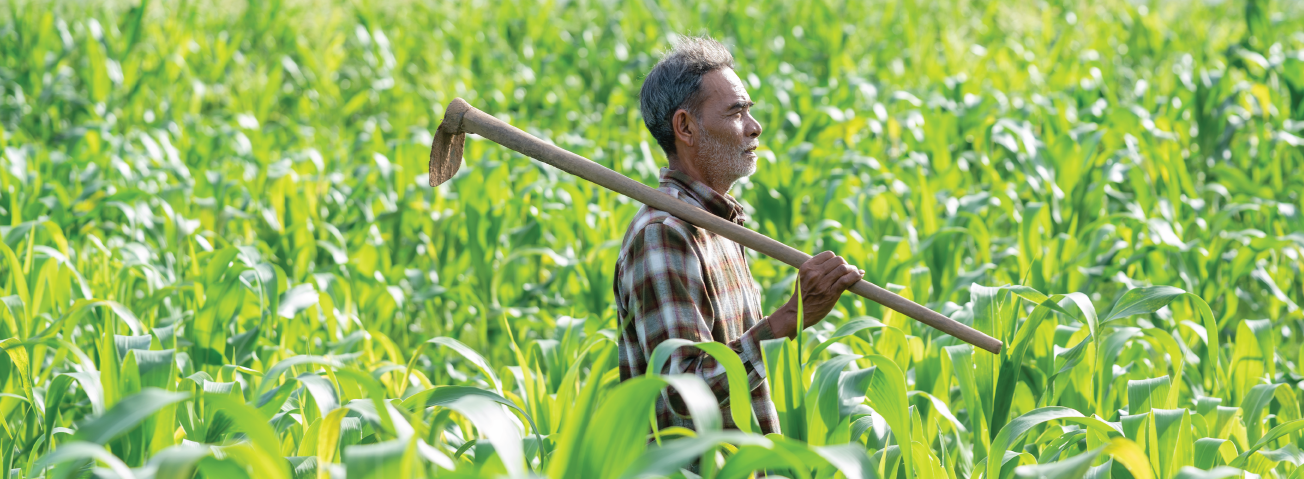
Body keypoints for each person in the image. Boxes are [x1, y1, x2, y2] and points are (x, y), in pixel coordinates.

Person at [614, 35, 866, 438]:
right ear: (685, 127)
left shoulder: (716, 223)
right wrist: (788, 319)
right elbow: (685, 390)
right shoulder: (665, 234)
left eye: (749, 110)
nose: (754, 127)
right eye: (736, 113)